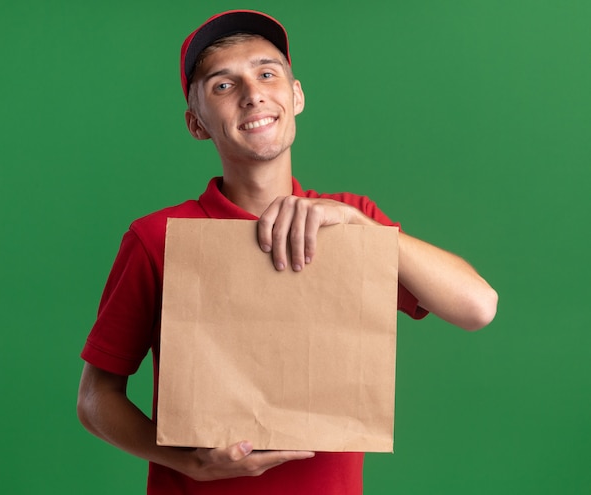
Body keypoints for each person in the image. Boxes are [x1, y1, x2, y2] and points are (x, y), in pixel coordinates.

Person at [77, 9, 498, 495]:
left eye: (267, 73)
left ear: (295, 96)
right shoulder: (158, 238)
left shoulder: (349, 219)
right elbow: (95, 397)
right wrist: (185, 460)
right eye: (222, 86)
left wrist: (364, 228)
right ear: (197, 124)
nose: (252, 93)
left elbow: (478, 307)